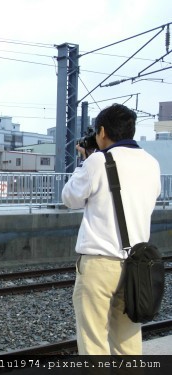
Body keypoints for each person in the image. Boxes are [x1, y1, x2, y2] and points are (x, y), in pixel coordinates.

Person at [61, 103, 161, 355]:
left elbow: (70, 199)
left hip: (99, 264)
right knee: (128, 343)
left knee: (94, 341)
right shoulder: (151, 163)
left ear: (102, 131)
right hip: (135, 265)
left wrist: (83, 163)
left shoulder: (96, 161)